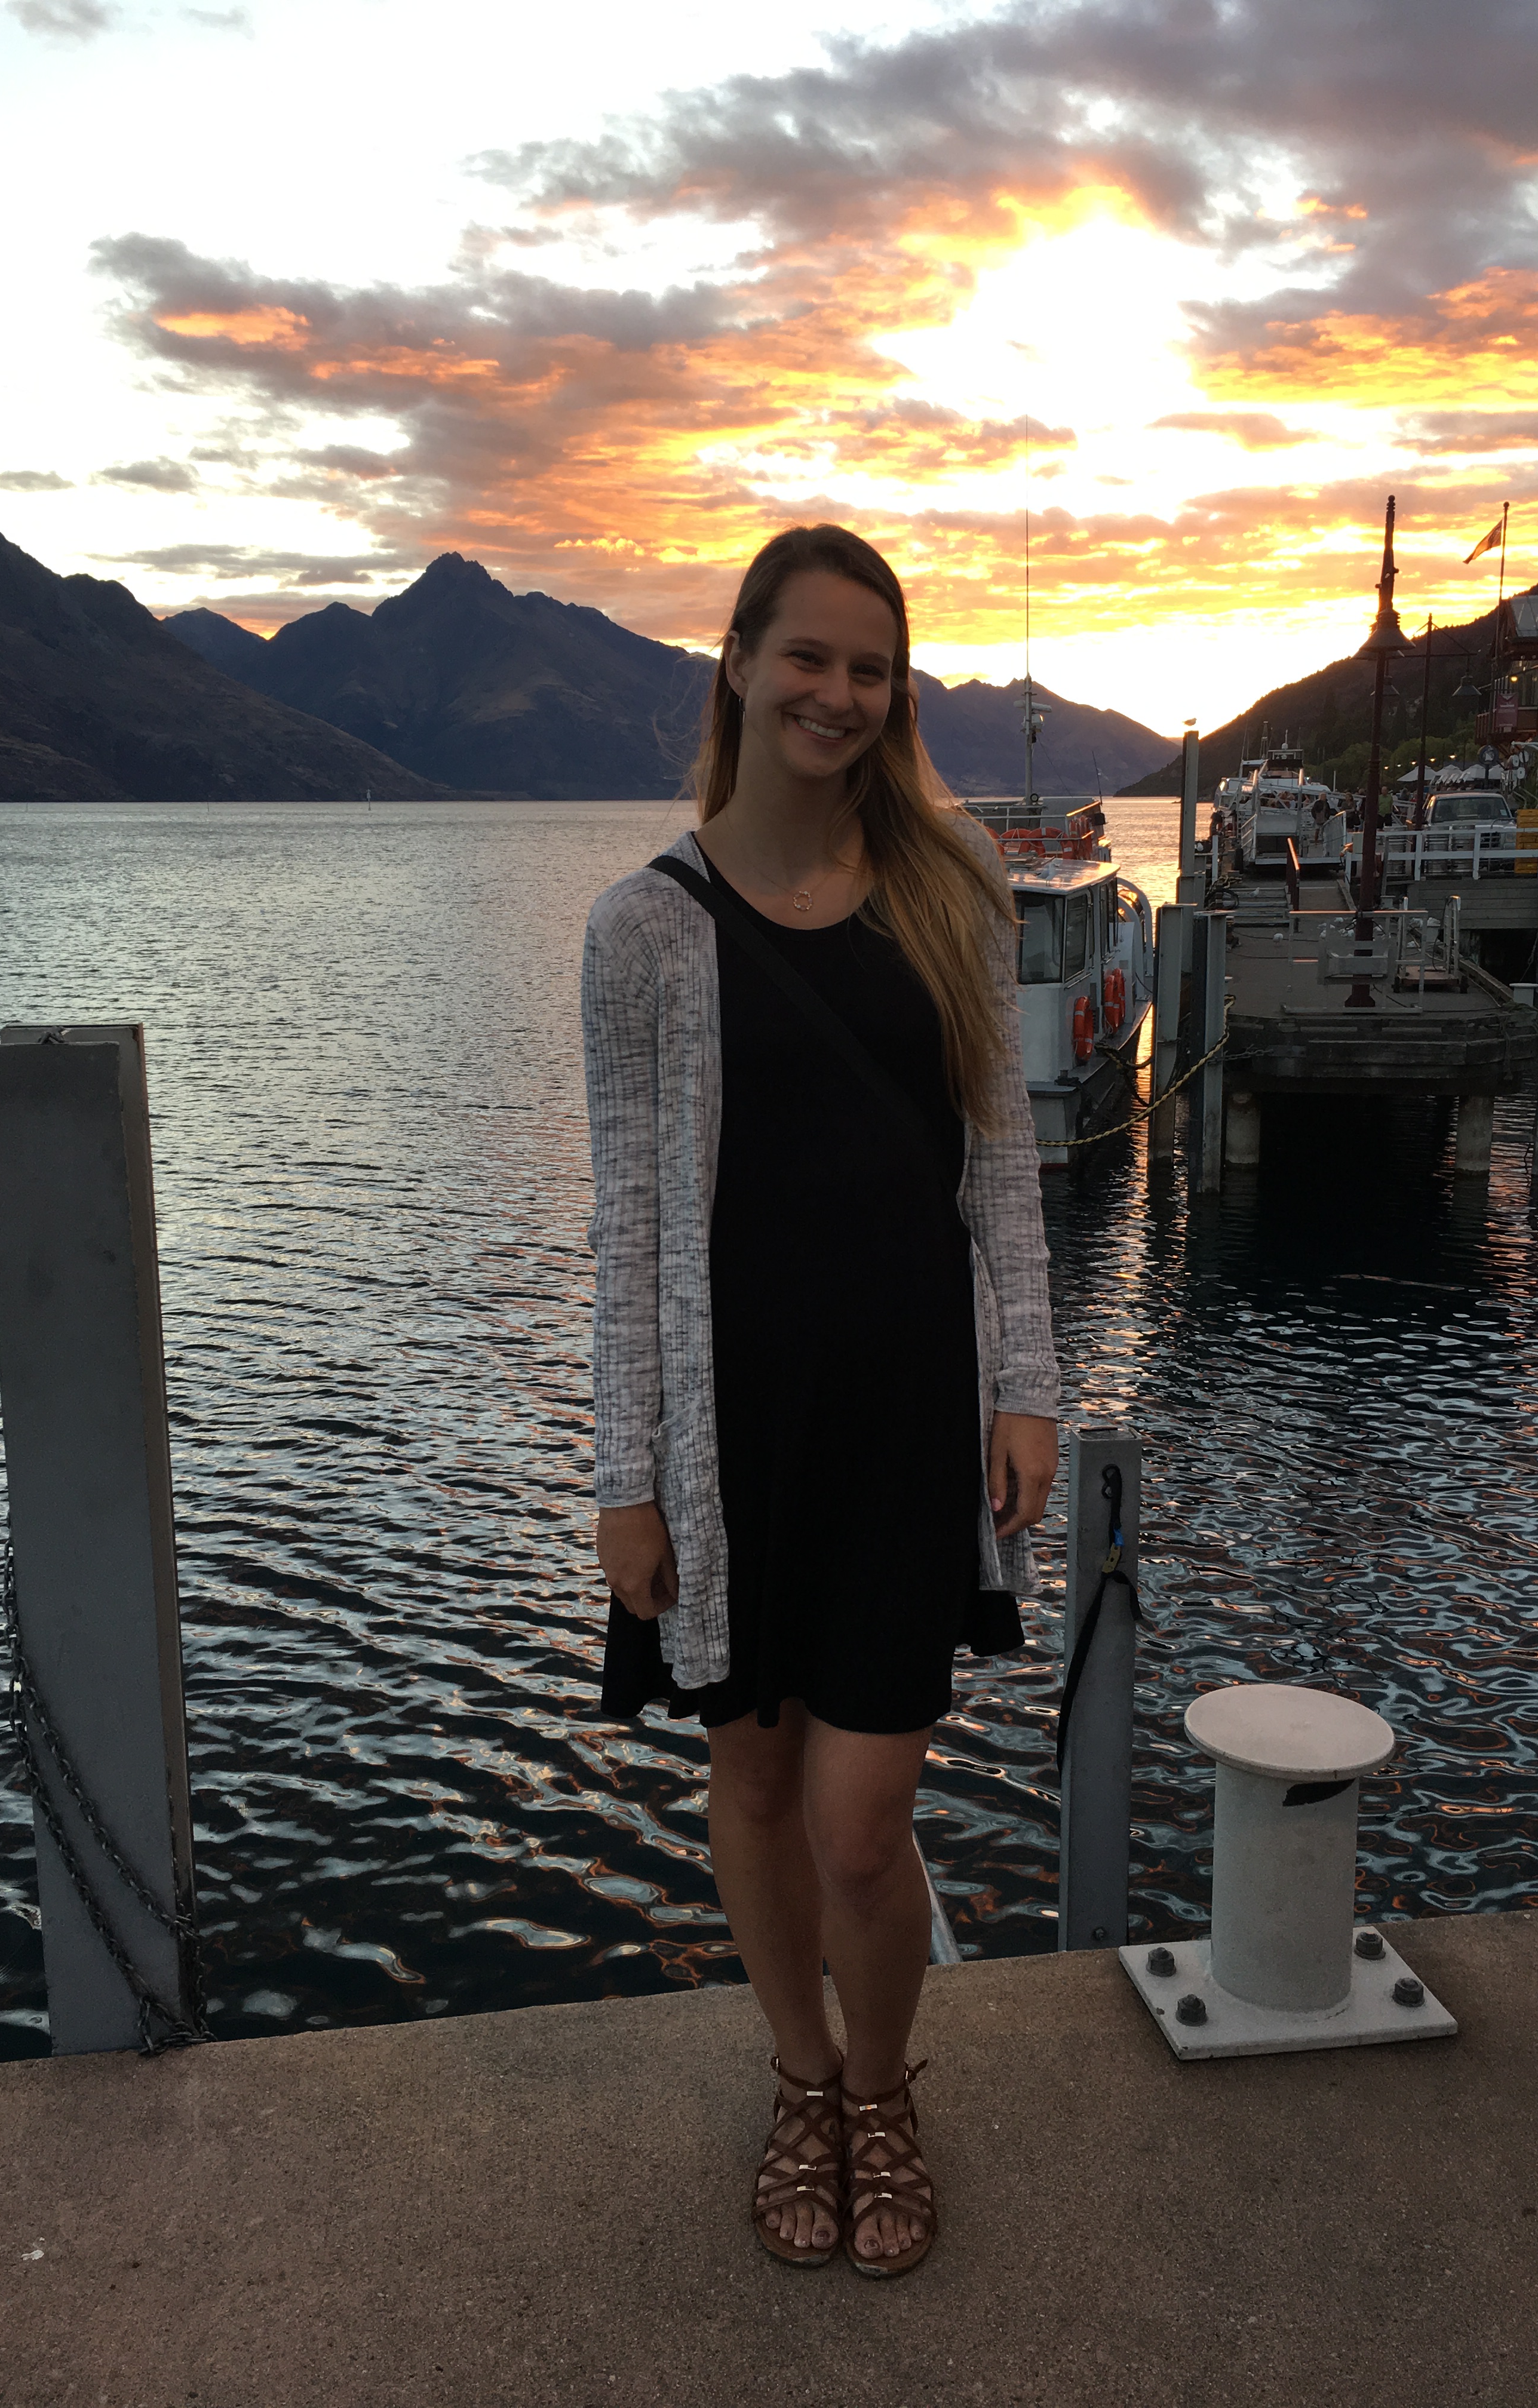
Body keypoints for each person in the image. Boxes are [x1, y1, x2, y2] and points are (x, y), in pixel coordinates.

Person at [582, 525, 1058, 2280]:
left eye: (871, 668)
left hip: (905, 1418)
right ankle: (803, 2083)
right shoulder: (644, 930)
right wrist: (627, 1479)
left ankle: (882, 2089)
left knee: (865, 1823)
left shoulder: (955, 883)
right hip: (731, 1435)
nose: (838, 694)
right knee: (758, 1779)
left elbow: (999, 1165)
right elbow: (628, 1228)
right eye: (810, 656)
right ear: (739, 661)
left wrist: (1029, 1389)